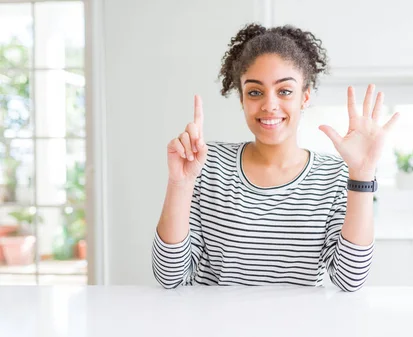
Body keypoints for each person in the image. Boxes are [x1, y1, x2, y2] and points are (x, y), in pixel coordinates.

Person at [152, 23, 399, 292]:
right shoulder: (206, 164)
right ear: (242, 100)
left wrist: (362, 175)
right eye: (255, 92)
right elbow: (169, 276)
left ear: (304, 97)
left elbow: (350, 280)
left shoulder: (336, 175)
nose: (269, 104)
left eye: (284, 91)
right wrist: (180, 183)